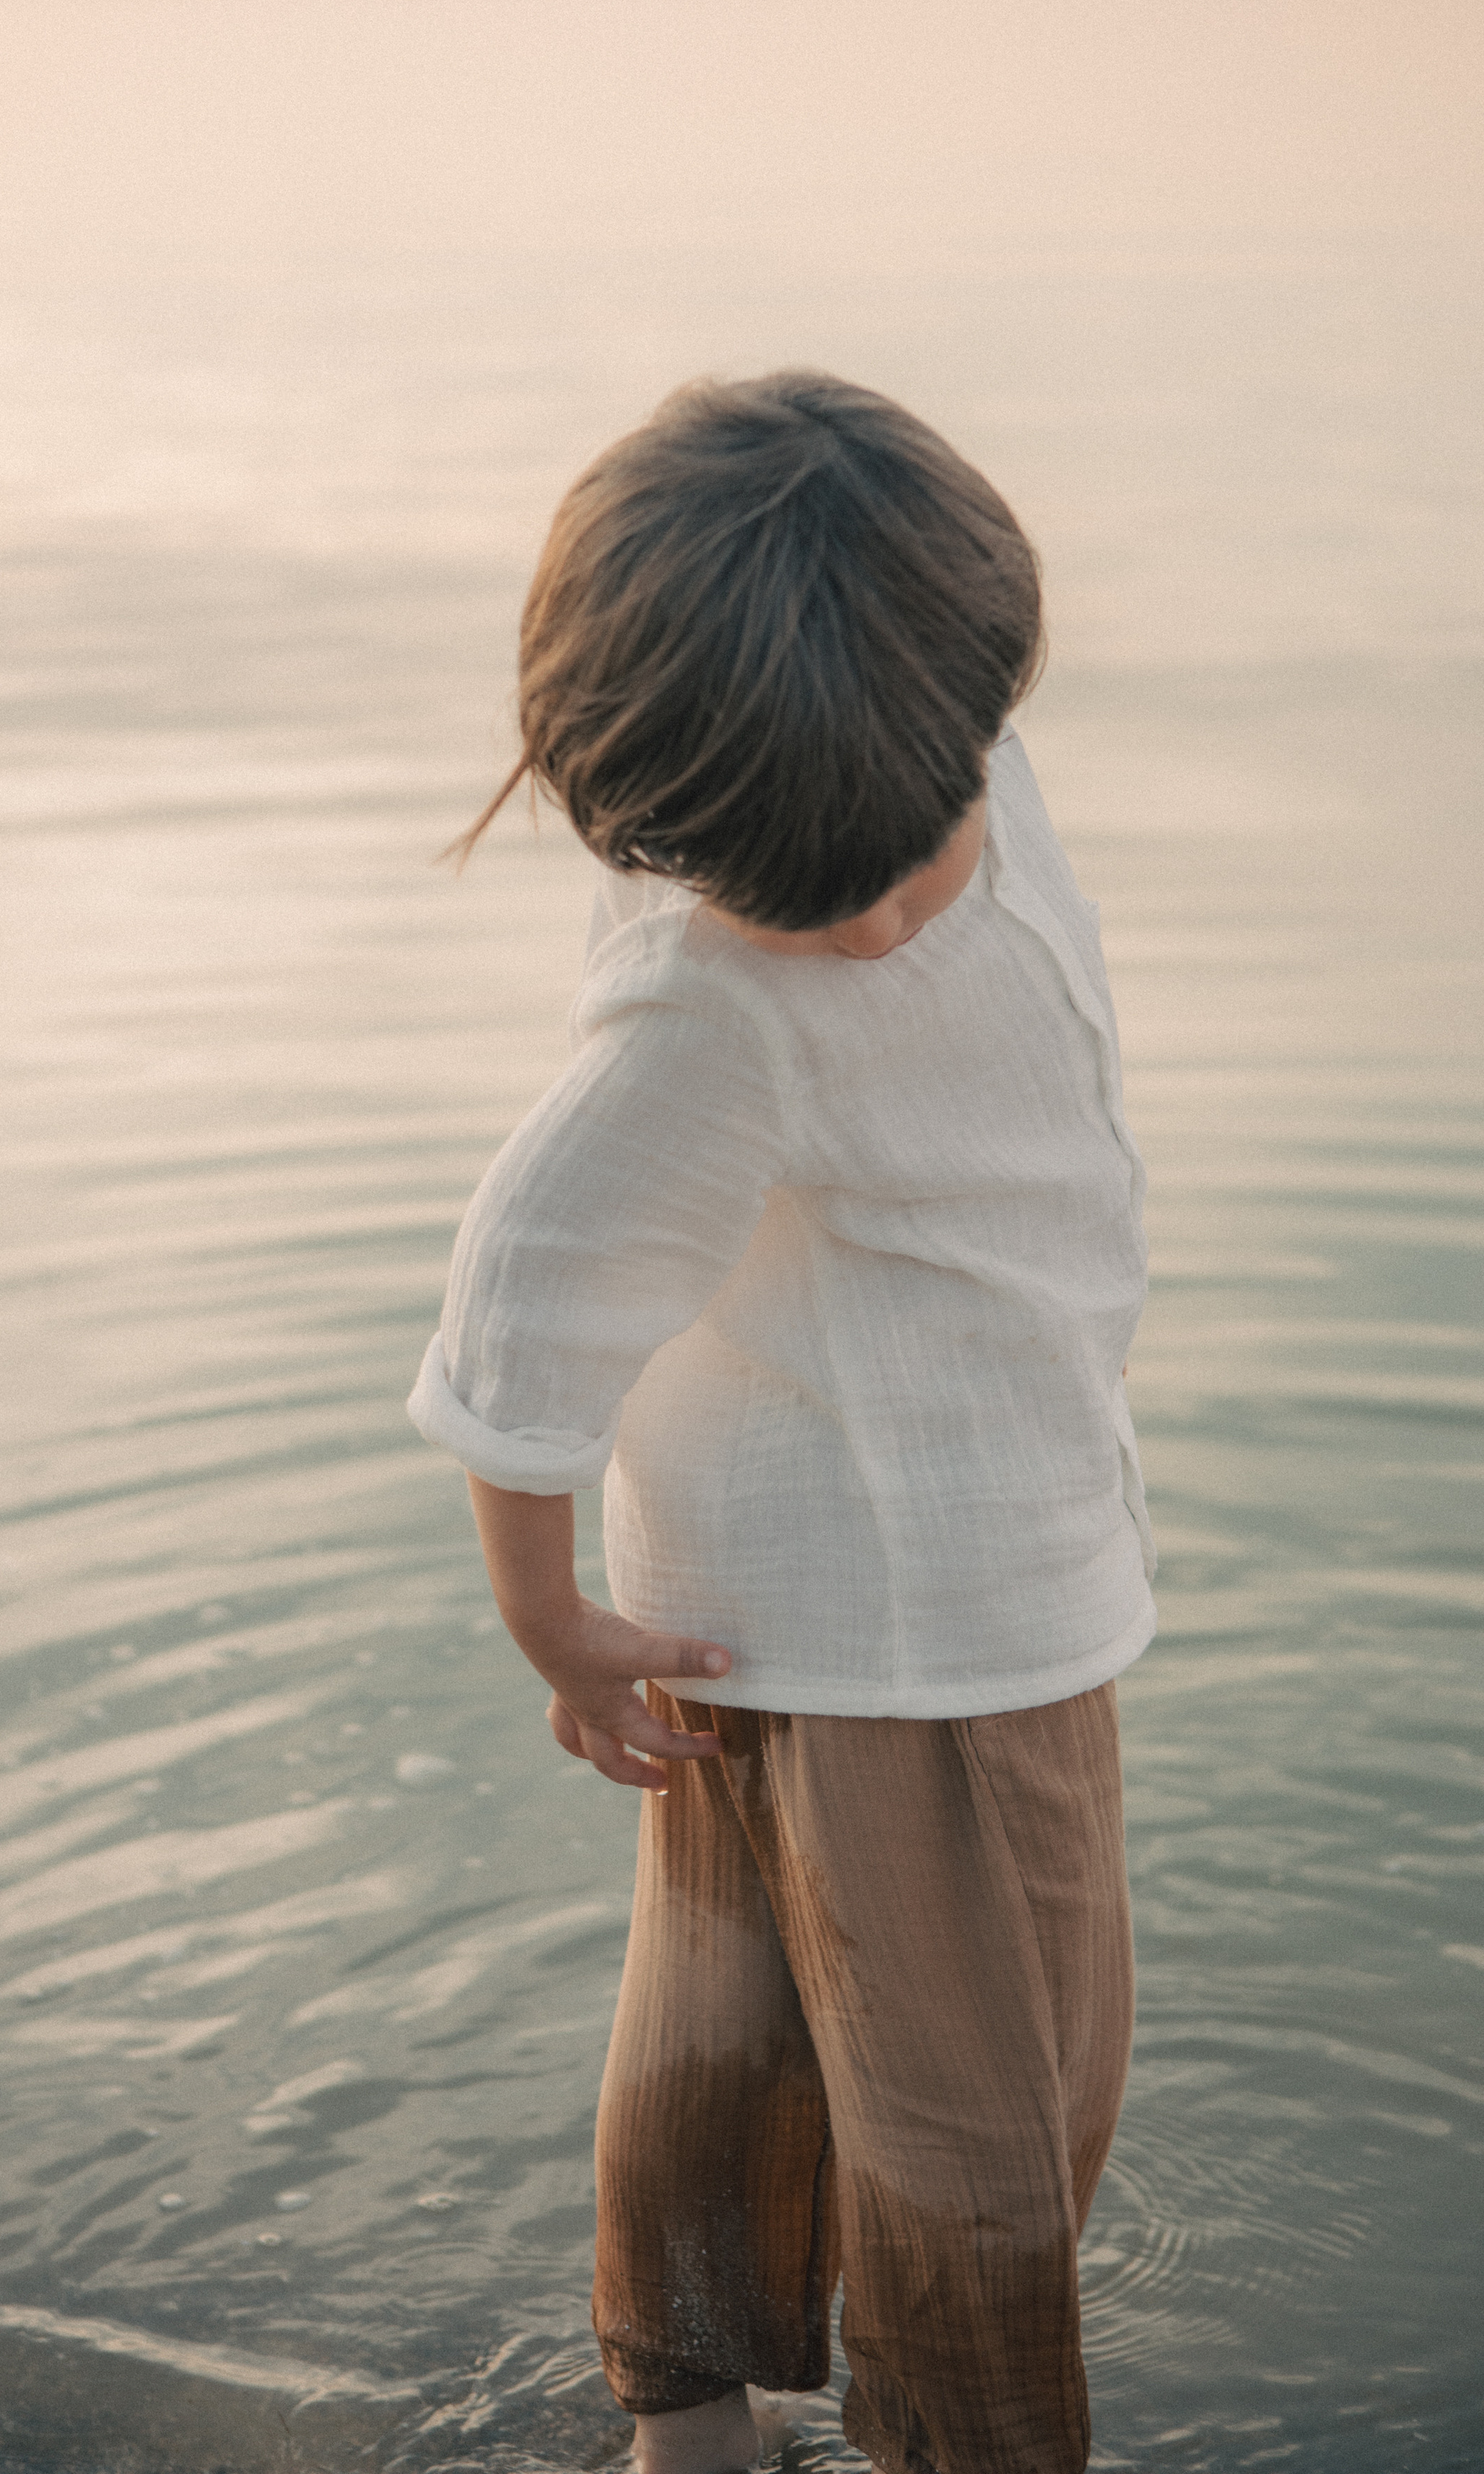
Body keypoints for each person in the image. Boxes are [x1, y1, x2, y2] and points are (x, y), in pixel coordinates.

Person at [407, 371, 1155, 2474]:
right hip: (939, 1619)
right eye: (805, 892)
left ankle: (693, 2434)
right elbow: (524, 1295)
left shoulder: (913, 740)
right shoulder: (717, 990)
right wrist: (547, 1619)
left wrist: (601, 1601)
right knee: (989, 2108)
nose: (885, 919)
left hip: (763, 1574)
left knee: (736, 2031)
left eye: (911, 850)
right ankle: (959, 2441)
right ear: (660, 832)